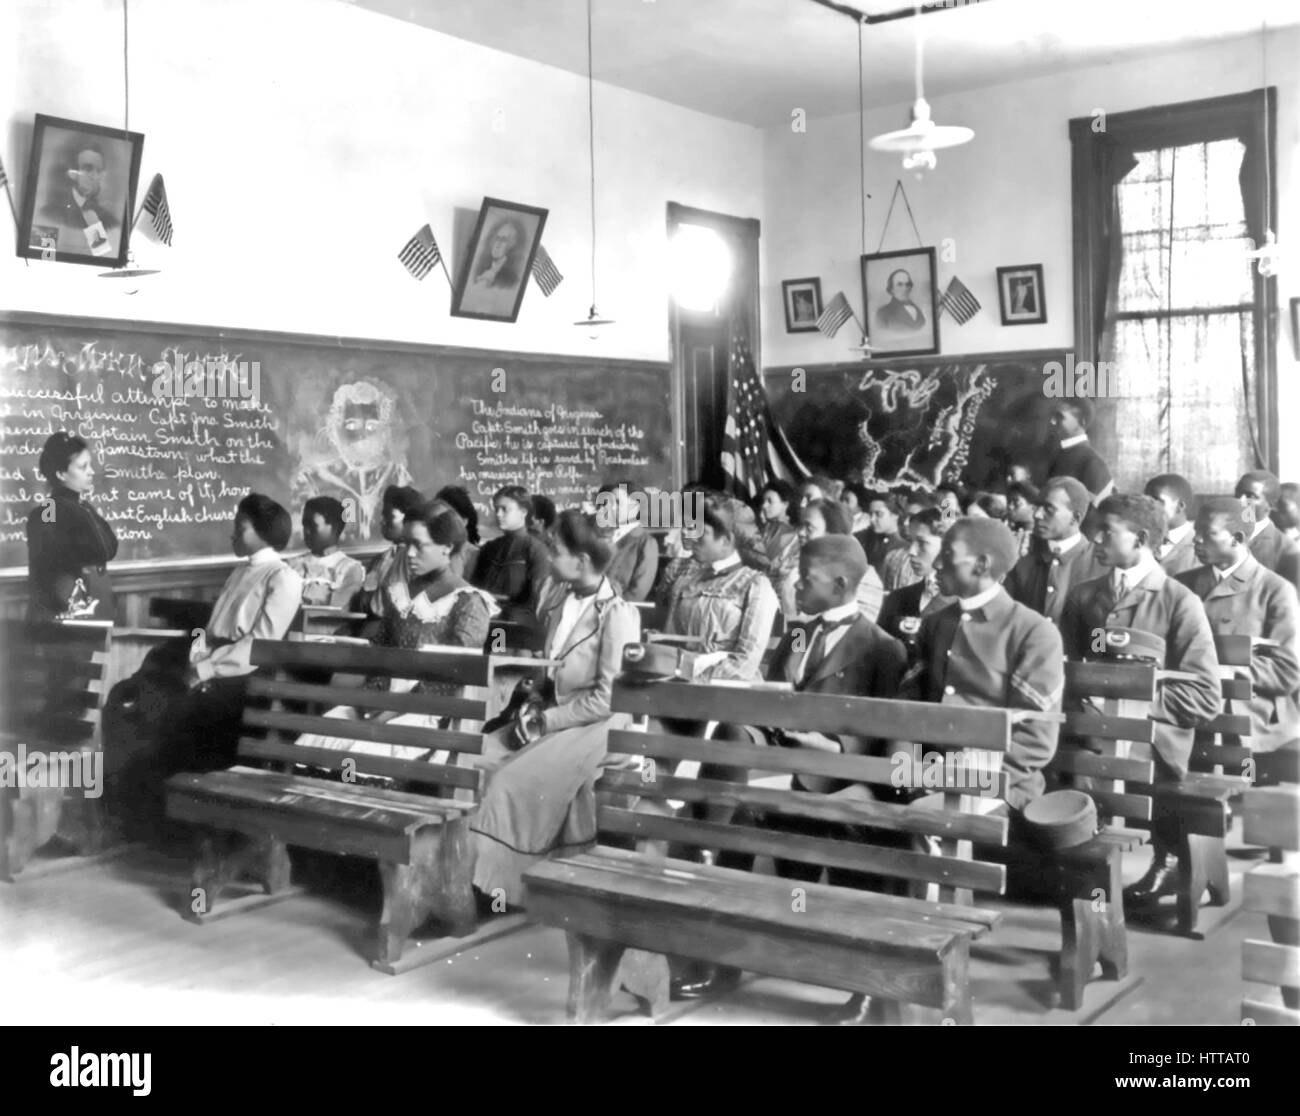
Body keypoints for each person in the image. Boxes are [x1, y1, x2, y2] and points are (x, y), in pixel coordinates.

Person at [674, 536, 907, 1010]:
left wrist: (834, 745)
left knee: (841, 836)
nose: (794, 584)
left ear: (842, 584)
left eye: (807, 578)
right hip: (782, 765)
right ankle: (722, 950)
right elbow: (778, 690)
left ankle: (864, 986)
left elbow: (886, 732)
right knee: (732, 751)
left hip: (838, 776)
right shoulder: (800, 632)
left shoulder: (884, 649)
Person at [469, 511, 641, 907]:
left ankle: (499, 890)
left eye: (556, 551)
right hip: (551, 715)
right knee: (476, 757)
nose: (548, 557)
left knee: (508, 781)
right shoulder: (556, 598)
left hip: (598, 726)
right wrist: (533, 696)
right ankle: (471, 875)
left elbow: (607, 698)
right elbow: (552, 671)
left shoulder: (616, 615)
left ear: (581, 561)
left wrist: (547, 720)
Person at [1059, 494, 1221, 911]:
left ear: (1142, 538)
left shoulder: (1179, 602)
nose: (1094, 537)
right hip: (1090, 731)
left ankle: (1129, 872)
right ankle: (1079, 875)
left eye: (1107, 531)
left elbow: (1204, 697)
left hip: (1155, 740)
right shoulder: (1083, 597)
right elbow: (1065, 673)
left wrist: (1127, 701)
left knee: (1090, 767)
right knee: (1053, 758)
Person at [105, 495, 303, 834]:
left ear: (263, 532)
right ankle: (134, 810)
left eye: (240, 528)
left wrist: (204, 669)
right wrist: (197, 655)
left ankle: (163, 819)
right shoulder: (241, 569)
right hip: (207, 662)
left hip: (241, 677)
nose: (233, 534)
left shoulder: (282, 577)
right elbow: (210, 630)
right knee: (129, 697)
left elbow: (258, 644)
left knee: (168, 712)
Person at [294, 505, 498, 759]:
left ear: (446, 547)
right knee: (315, 739)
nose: (409, 553)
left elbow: (451, 677)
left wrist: (391, 709)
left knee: (360, 754)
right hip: (384, 701)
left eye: (418, 545)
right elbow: (381, 654)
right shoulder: (398, 594)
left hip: (428, 711)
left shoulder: (468, 602)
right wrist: (372, 700)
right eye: (405, 544)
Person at [898, 517, 1064, 813]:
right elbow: (909, 709)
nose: (937, 565)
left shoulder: (1032, 631)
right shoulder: (935, 624)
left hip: (1003, 787)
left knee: (919, 818)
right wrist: (910, 776)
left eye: (948, 554)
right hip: (929, 777)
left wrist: (959, 781)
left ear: (981, 565)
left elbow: (1035, 740)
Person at [1177, 497, 1299, 787]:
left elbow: (1288, 672)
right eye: (1197, 533)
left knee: (1243, 808)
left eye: (1208, 534)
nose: (1197, 540)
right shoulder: (1182, 584)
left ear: (1238, 538)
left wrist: (1229, 671)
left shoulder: (1275, 590)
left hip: (1251, 727)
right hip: (1192, 718)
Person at [26, 432, 118, 622]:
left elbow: (107, 548)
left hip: (63, 612)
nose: (91, 471)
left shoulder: (63, 506)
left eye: (90, 465)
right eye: (83, 467)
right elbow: (105, 550)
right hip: (65, 616)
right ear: (61, 474)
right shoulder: (65, 509)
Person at [1003, 476, 1107, 627]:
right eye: (1037, 507)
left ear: (1075, 518)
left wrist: (1097, 650)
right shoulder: (1020, 553)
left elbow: (1101, 627)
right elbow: (1003, 615)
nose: (1037, 515)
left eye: (1049, 509)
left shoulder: (1100, 563)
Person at [472, 484, 552, 626]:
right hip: (485, 623)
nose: (498, 514)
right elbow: (475, 589)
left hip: (516, 628)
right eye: (496, 509)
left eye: (504, 509)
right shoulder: (489, 549)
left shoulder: (536, 551)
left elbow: (538, 599)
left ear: (523, 511)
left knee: (500, 647)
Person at [876, 508, 951, 648]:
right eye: (911, 542)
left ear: (947, 546)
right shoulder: (897, 599)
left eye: (922, 543)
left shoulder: (962, 603)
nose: (911, 551)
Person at [801, 499, 884, 622]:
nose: (801, 532)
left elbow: (855, 633)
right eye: (801, 526)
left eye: (809, 528)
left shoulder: (864, 579)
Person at [36, 138, 120, 258]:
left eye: (99, 170)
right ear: (72, 173)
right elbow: (44, 255)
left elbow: (104, 257)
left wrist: (94, 224)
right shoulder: (49, 214)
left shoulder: (110, 221)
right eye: (88, 169)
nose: (95, 176)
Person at [358, 484, 423, 619]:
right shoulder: (380, 559)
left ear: (410, 519)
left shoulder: (415, 560)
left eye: (389, 515)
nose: (381, 521)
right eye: (382, 515)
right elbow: (365, 601)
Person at [288, 496, 366, 608]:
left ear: (334, 527)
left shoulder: (350, 569)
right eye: (304, 524)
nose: (306, 531)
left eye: (313, 525)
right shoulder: (291, 564)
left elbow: (337, 605)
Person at [1236, 470, 1300, 592]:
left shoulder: (1286, 549)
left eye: (1250, 496)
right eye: (1238, 493)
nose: (1241, 501)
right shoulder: (1222, 532)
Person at [596, 481, 659, 602]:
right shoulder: (602, 536)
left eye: (618, 503)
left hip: (618, 612)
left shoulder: (646, 543)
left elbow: (638, 592)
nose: (612, 507)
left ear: (636, 507)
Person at [1046, 399, 1114, 509]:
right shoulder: (1059, 454)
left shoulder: (1092, 461)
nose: (1052, 422)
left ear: (1081, 422)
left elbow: (1093, 509)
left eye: (1060, 417)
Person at [758, 479, 801, 616]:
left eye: (770, 501)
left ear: (785, 504)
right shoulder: (767, 528)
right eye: (764, 501)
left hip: (777, 601)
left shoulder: (787, 533)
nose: (764, 506)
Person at [1145, 474, 1197, 576]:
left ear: (1180, 506)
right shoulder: (1141, 540)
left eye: (1157, 501)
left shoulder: (1199, 546)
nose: (1148, 507)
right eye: (1146, 500)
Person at [853, 492, 908, 581]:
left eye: (879, 514)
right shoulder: (863, 540)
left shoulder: (903, 548)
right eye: (871, 514)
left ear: (895, 515)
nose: (872, 519)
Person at [435, 484, 482, 582]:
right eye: (437, 517)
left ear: (464, 522)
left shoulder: (474, 556)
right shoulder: (428, 550)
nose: (440, 523)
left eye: (447, 518)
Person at [874, 269, 926, 333]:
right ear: (891, 288)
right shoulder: (882, 313)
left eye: (907, 284)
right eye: (900, 284)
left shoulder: (917, 309)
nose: (905, 288)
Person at [1005, 479, 1039, 558]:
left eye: (1016, 502)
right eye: (1008, 502)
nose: (1010, 507)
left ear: (1033, 507)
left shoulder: (1038, 539)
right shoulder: (1010, 532)